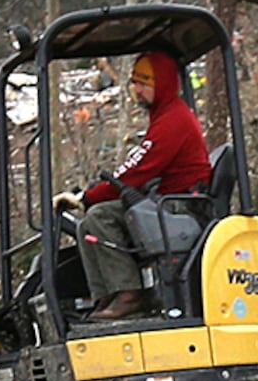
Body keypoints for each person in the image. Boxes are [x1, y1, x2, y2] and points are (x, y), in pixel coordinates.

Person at [73, 50, 213, 320]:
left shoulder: (174, 120)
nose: (136, 90)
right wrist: (89, 194)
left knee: (100, 216)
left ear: (162, 83)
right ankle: (106, 296)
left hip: (181, 205)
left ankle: (129, 295)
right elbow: (137, 169)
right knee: (86, 225)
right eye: (135, 83)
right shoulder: (164, 116)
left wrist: (88, 197)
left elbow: (137, 171)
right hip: (167, 200)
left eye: (144, 83)